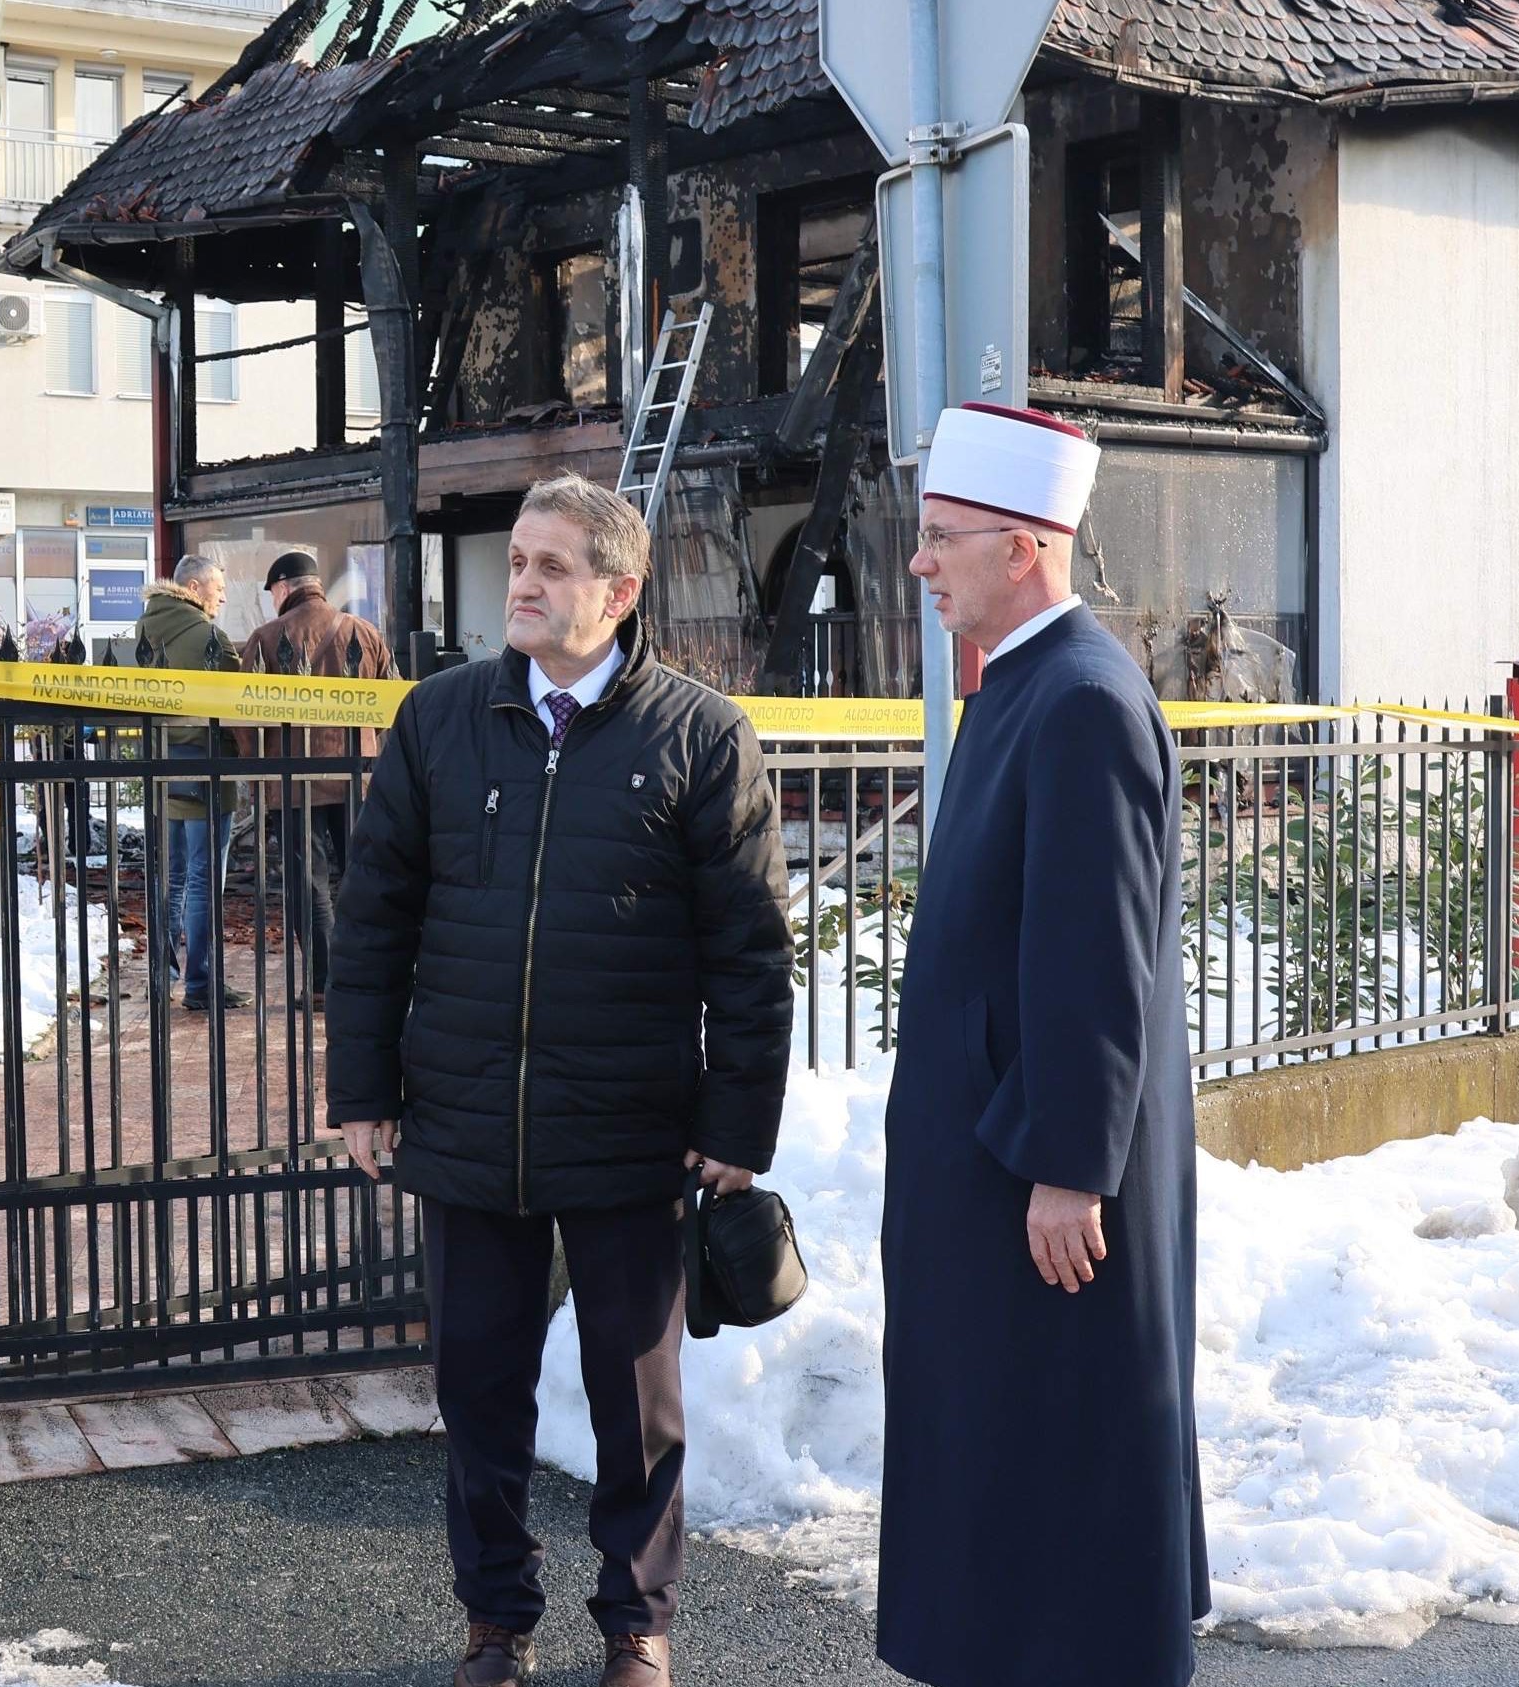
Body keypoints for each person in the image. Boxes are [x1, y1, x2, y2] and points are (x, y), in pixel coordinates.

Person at [324, 473, 793, 1687]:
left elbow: (749, 951)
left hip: (631, 1129)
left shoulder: (700, 736)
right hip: (470, 1123)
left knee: (637, 1408)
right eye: (518, 562)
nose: (520, 584)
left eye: (549, 566)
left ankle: (637, 1624)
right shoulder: (439, 720)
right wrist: (362, 1090)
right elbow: (375, 919)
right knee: (479, 1392)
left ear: (619, 591)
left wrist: (738, 1123)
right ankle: (495, 1620)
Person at [876, 404, 1210, 1686]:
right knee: (1000, 1443)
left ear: (1023, 549)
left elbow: (1093, 956)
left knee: (1056, 1451)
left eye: (942, 538)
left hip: (1041, 1181)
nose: (921, 562)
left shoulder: (1076, 699)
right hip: (995, 1161)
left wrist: (1070, 1163)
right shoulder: (1025, 684)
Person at [236, 551, 395, 1006]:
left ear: (283, 588)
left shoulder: (266, 639)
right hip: (353, 777)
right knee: (360, 878)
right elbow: (391, 704)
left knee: (308, 882)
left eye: (271, 593)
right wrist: (365, 748)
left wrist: (260, 771)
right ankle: (365, 978)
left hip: (292, 782)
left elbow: (244, 719)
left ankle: (324, 982)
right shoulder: (364, 634)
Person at [134, 557, 246, 1011]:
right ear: (195, 587)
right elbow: (241, 701)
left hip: (163, 769)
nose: (222, 597)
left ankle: (164, 978)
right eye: (218, 588)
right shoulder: (209, 637)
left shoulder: (143, 630)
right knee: (204, 882)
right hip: (206, 767)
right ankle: (201, 984)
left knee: (172, 877)